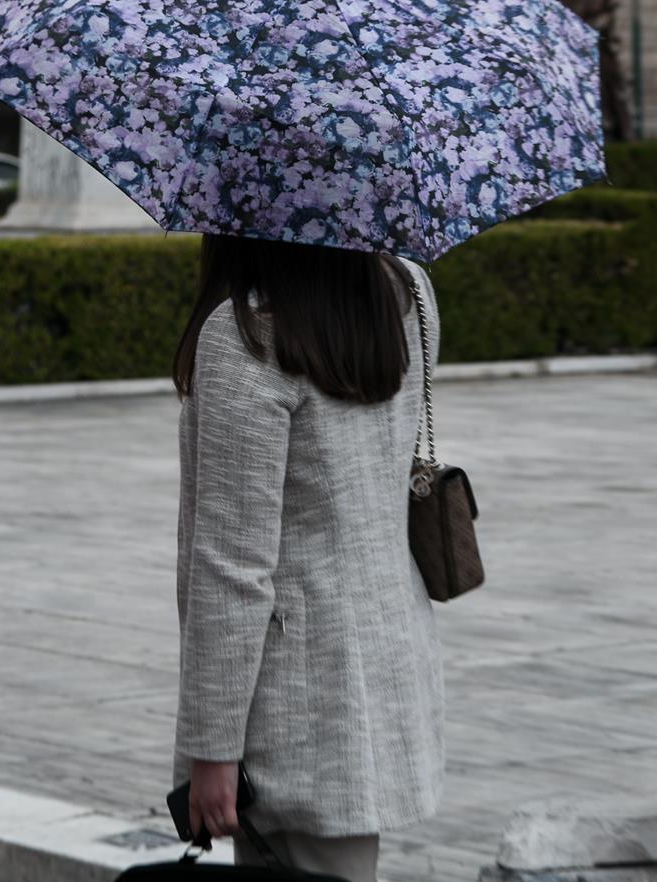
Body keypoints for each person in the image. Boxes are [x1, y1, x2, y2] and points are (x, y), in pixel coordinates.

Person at [170, 239, 444, 882]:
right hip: (383, 653)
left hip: (292, 690)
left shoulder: (248, 334)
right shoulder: (407, 292)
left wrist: (211, 750)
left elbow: (233, 567)